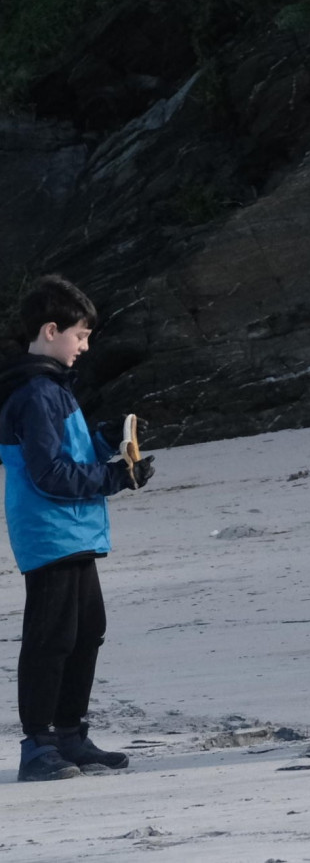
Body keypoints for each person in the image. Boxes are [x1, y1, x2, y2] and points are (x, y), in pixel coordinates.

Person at [0, 275, 156, 781]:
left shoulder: (51, 389)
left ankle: (70, 736)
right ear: (51, 330)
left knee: (87, 631)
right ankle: (37, 746)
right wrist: (116, 476)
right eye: (81, 335)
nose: (86, 347)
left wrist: (108, 439)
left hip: (75, 531)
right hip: (51, 533)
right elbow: (49, 474)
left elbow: (67, 452)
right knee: (51, 638)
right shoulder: (33, 392)